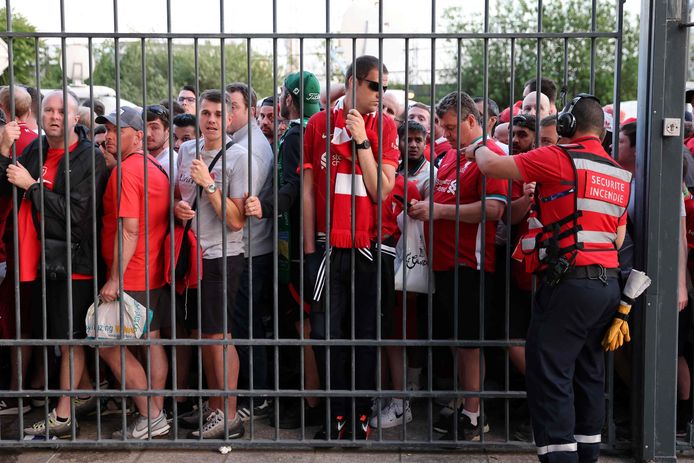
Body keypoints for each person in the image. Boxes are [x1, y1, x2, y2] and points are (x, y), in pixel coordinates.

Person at [467, 94, 631, 463]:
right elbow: (618, 238)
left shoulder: (559, 157)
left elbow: (492, 165)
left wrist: (478, 146)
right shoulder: (619, 173)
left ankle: (559, 457)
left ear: (567, 126)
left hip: (569, 283)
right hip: (608, 286)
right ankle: (587, 453)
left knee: (550, 374)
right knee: (589, 373)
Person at [303, 55, 399, 440]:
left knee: (364, 336)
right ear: (352, 83)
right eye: (375, 86)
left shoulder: (386, 126)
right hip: (327, 249)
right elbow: (308, 192)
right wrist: (309, 252)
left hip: (369, 248)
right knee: (327, 336)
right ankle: (335, 413)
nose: (380, 94)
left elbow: (382, 190)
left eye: (385, 88)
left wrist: (361, 140)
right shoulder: (317, 123)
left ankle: (359, 413)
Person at [0, 91, 107, 436]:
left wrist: (32, 188)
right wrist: (3, 151)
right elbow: (7, 187)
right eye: (49, 110)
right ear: (39, 114)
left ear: (76, 119)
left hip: (76, 261)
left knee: (71, 339)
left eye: (63, 111)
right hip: (45, 262)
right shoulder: (38, 149)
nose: (55, 116)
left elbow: (78, 215)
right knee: (62, 334)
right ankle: (85, 394)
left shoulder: (89, 158)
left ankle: (62, 416)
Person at [408, 91, 508, 441]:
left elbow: (494, 209)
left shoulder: (490, 155)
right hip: (445, 262)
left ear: (471, 120)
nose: (445, 134)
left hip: (471, 262)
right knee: (457, 338)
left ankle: (473, 414)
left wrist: (438, 211)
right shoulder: (451, 156)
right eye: (443, 127)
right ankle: (467, 401)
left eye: (451, 127)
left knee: (469, 342)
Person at [245, 70, 323, 429]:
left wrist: (266, 204)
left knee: (302, 324)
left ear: (290, 99)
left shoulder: (296, 134)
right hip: (307, 242)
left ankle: (309, 404)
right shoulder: (315, 125)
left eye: (282, 94)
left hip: (297, 247)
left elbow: (293, 185)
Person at [174, 89, 249, 439]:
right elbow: (179, 197)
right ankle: (215, 407)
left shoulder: (239, 157)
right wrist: (178, 209)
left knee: (220, 336)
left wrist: (209, 185)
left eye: (219, 114)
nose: (212, 120)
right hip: (192, 255)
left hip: (223, 255)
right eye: (206, 113)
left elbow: (236, 220)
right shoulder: (187, 150)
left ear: (230, 118)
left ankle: (230, 414)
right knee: (203, 336)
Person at [97, 107, 171, 439]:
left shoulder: (127, 172)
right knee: (151, 343)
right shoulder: (153, 168)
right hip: (152, 271)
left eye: (117, 130)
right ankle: (155, 413)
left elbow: (129, 230)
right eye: (108, 130)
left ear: (138, 136)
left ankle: (151, 414)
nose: (109, 135)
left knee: (105, 344)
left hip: (132, 275)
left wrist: (114, 279)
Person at [224, 82, 274, 421]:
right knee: (242, 324)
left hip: (249, 250)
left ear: (250, 111)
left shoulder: (251, 148)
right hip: (246, 249)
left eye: (233, 106)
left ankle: (255, 396)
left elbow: (243, 209)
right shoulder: (240, 142)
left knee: (246, 326)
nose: (226, 114)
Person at [144, 105, 178, 178]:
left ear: (168, 131)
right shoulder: (149, 158)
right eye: (144, 127)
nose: (147, 134)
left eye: (154, 128)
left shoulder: (170, 164)